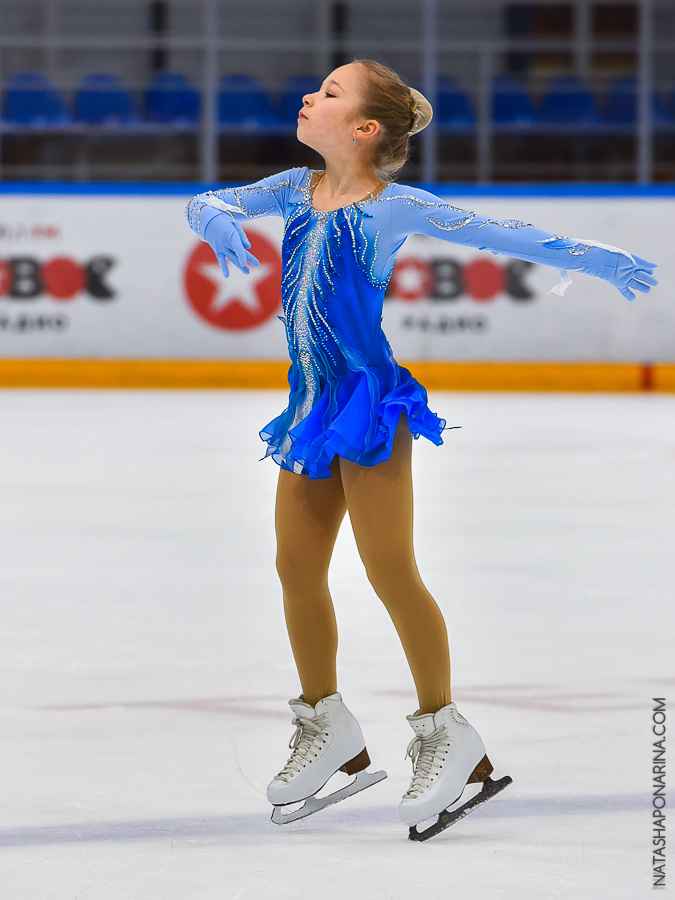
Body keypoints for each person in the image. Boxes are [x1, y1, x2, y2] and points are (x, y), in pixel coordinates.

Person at [186, 59, 657, 839]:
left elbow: (501, 232)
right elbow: (208, 198)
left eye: (329, 93)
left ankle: (446, 731)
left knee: (389, 570)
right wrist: (210, 217)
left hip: (370, 406)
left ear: (364, 130)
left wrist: (593, 259)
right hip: (310, 409)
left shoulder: (392, 207)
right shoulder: (289, 189)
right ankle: (326, 722)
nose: (309, 95)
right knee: (294, 568)